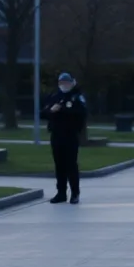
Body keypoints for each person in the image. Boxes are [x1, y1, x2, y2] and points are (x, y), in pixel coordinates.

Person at [42, 71, 87, 204]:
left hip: (71, 135)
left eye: (66, 82)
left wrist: (62, 111)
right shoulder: (54, 96)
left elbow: (81, 113)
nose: (64, 85)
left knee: (71, 165)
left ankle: (75, 193)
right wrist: (51, 111)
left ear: (72, 83)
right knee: (59, 165)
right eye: (61, 82)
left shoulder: (77, 97)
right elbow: (43, 113)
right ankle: (61, 193)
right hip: (56, 134)